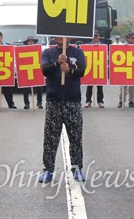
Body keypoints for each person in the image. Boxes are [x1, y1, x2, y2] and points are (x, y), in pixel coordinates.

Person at [38, 37, 87, 182]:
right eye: (58, 35)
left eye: (64, 36)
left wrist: (70, 70)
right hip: (54, 100)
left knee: (75, 136)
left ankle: (77, 168)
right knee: (50, 137)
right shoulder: (48, 52)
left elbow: (82, 71)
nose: (61, 38)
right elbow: (45, 71)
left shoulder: (77, 52)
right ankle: (48, 169)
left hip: (73, 100)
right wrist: (57, 63)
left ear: (69, 37)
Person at [0, 31, 16, 109]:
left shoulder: (7, 46)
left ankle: (10, 103)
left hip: (5, 69)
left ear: (2, 37)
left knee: (7, 88)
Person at [22, 35, 44, 109]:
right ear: (27, 43)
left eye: (32, 41)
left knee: (39, 87)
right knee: (25, 88)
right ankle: (26, 103)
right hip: (27, 70)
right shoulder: (23, 51)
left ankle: (39, 102)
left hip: (36, 70)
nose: (31, 43)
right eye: (29, 41)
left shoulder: (38, 50)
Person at [118, 32, 134, 108]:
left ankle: (131, 101)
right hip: (123, 67)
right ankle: (121, 101)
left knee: (132, 86)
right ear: (127, 38)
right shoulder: (122, 46)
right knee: (123, 86)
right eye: (132, 38)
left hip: (132, 68)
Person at [85, 31, 105, 108]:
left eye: (96, 36)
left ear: (99, 37)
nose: (95, 38)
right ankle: (88, 101)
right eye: (94, 36)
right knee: (89, 86)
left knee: (100, 87)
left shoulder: (103, 46)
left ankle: (100, 101)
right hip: (90, 68)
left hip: (99, 68)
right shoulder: (87, 45)